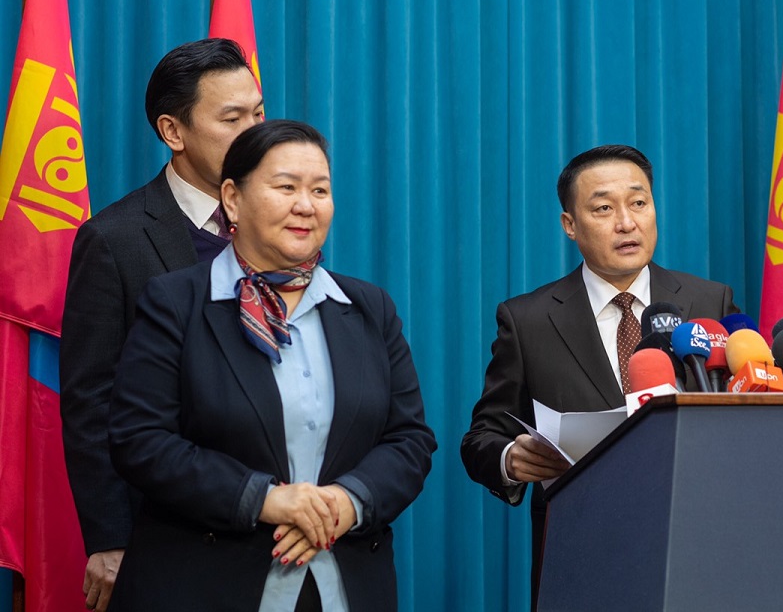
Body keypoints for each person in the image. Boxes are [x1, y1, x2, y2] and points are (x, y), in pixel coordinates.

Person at [106, 120, 436, 611]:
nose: (306, 205)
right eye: (286, 187)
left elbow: (409, 440)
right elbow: (140, 440)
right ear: (233, 199)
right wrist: (264, 500)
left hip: (341, 586)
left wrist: (346, 503)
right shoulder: (177, 303)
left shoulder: (369, 308)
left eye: (319, 190)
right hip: (205, 586)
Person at [460, 144, 738, 604]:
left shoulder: (710, 302)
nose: (627, 222)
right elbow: (481, 437)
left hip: (697, 544)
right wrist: (510, 458)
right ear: (569, 224)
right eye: (604, 208)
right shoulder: (528, 320)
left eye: (639, 202)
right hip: (582, 553)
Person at [60, 37, 263, 611]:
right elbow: (92, 400)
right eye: (232, 119)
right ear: (174, 132)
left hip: (276, 529)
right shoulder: (115, 240)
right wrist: (110, 537)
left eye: (258, 114)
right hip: (170, 533)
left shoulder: (281, 223)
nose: (254, 134)